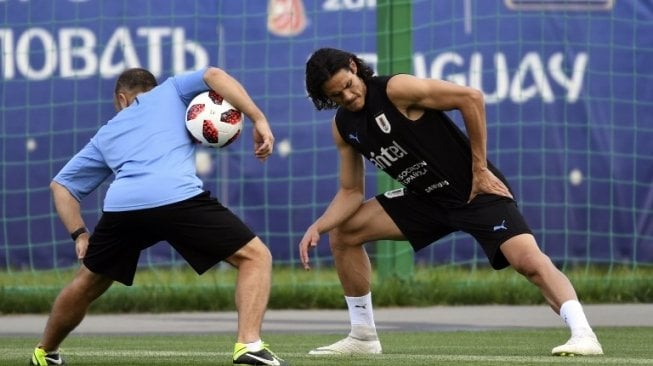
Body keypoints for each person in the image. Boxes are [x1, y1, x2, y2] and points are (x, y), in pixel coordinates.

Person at [298, 47, 603, 357]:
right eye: (336, 95)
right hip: (426, 198)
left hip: (474, 191)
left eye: (348, 85)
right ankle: (363, 336)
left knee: (528, 262)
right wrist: (320, 225)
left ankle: (583, 334)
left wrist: (480, 169)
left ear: (354, 67)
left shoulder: (395, 90)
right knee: (344, 232)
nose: (347, 97)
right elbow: (351, 191)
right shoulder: (343, 127)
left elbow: (471, 98)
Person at [29, 67, 288, 366]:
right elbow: (214, 74)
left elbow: (60, 186)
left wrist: (80, 234)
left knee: (87, 282)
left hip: (123, 209)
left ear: (122, 99)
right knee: (255, 257)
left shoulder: (107, 133)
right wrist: (258, 118)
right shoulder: (173, 90)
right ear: (152, 88)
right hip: (176, 196)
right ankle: (249, 345)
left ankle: (44, 352)